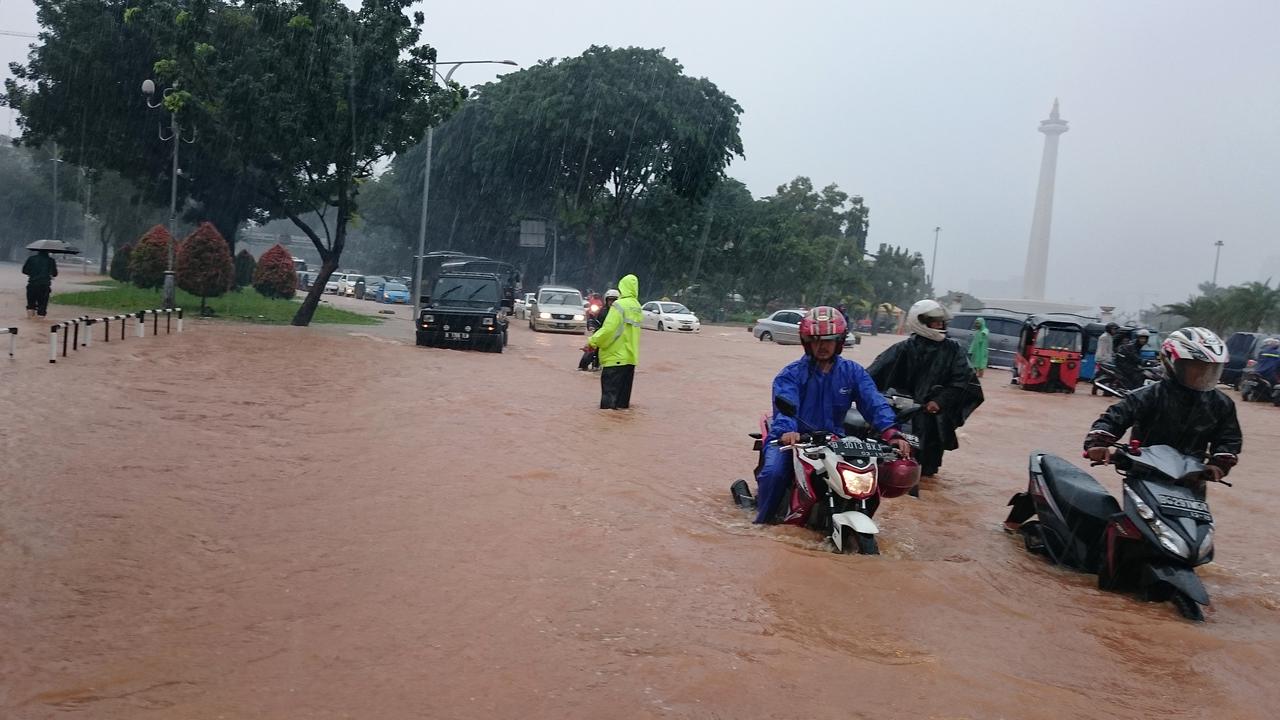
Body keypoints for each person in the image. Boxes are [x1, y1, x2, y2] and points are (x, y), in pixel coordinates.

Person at [753, 306, 913, 523]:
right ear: (807, 342)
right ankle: (762, 523)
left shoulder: (853, 372)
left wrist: (892, 432)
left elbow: (873, 402)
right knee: (774, 473)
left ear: (839, 342)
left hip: (834, 442)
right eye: (816, 340)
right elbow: (785, 408)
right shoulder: (791, 375)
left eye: (829, 340)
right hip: (793, 441)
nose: (822, 345)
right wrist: (788, 431)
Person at [1085, 327, 1241, 494]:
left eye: (1210, 368)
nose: (1203, 373)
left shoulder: (1222, 403)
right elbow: (1113, 419)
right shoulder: (1147, 395)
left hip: (1191, 481)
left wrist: (1219, 464)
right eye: (1195, 366)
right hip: (1144, 475)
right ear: (1172, 364)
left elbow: (1229, 439)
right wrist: (1098, 444)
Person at [867, 299, 984, 478]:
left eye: (941, 322)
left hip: (933, 422)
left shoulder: (953, 350)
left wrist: (939, 400)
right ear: (921, 322)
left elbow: (965, 382)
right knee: (890, 467)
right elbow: (869, 377)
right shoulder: (902, 349)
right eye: (935, 322)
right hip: (901, 418)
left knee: (927, 471)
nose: (940, 325)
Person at [585, 275, 642, 409]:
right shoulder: (637, 306)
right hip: (630, 360)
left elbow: (609, 330)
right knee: (622, 406)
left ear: (622, 287)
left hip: (615, 359)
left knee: (608, 407)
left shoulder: (619, 305)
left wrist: (592, 342)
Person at [578, 289, 618, 371]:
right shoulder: (602, 310)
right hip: (601, 335)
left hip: (614, 337)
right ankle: (584, 366)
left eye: (614, 300)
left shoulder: (620, 313)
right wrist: (591, 326)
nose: (612, 302)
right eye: (610, 300)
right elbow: (593, 319)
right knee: (589, 353)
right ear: (606, 300)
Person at [22, 249, 59, 318]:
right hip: (44, 286)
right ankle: (40, 320)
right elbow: (55, 274)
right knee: (42, 306)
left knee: (30, 304)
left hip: (32, 284)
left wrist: (32, 273)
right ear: (48, 252)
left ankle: (30, 320)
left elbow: (24, 270)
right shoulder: (51, 260)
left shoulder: (31, 258)